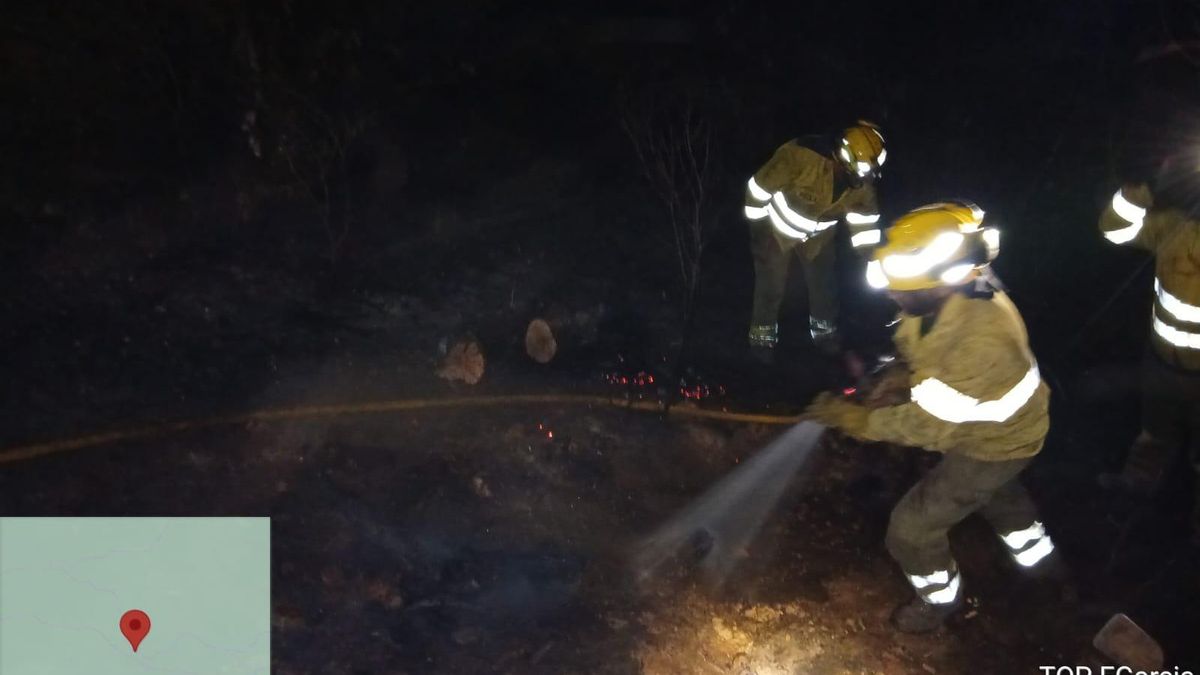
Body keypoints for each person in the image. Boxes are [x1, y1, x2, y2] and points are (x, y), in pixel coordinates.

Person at [807, 201, 1056, 633]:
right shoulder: (952, 294)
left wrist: (856, 420)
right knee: (997, 494)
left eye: (899, 288)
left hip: (993, 445)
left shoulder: (980, 338)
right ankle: (1039, 563)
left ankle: (941, 604)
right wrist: (901, 378)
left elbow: (927, 426)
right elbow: (930, 355)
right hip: (1004, 431)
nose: (891, 294)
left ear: (935, 281)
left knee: (910, 529)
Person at [1096, 179, 1200, 538]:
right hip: (1162, 365)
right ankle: (1131, 503)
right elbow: (1115, 232)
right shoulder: (1174, 225)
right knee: (1154, 438)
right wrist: (1139, 191)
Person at [743, 121, 885, 359]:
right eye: (860, 170)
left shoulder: (862, 185)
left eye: (869, 171)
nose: (864, 178)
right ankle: (762, 340)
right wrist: (759, 230)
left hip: (819, 237)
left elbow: (865, 222)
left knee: (824, 286)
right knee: (771, 284)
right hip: (776, 231)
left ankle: (825, 336)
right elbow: (757, 190)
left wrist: (871, 257)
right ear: (843, 155)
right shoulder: (799, 156)